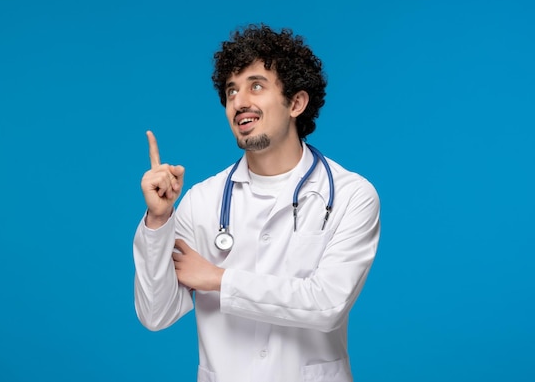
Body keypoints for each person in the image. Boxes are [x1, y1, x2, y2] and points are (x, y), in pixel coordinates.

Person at [133, 24, 380, 382]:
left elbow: (327, 304)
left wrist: (219, 279)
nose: (239, 101)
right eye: (231, 90)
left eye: (256, 86)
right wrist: (158, 221)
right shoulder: (203, 201)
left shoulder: (350, 195)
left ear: (296, 102)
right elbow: (156, 315)